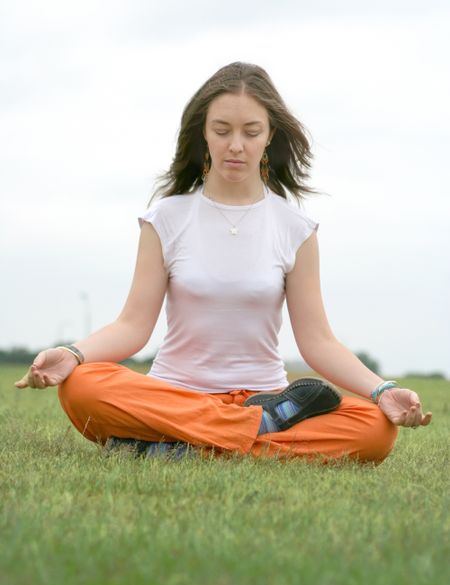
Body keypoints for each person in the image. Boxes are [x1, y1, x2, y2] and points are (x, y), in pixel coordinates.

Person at [15, 62, 432, 463]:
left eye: (251, 132)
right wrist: (73, 353)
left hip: (261, 392)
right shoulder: (166, 219)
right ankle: (254, 428)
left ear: (269, 136)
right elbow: (132, 327)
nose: (236, 145)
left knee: (374, 429)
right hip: (175, 397)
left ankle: (187, 444)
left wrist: (383, 390)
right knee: (82, 386)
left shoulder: (295, 228)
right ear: (204, 134)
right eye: (222, 130)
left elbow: (318, 342)